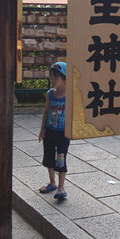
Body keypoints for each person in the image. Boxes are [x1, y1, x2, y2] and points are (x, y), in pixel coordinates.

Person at [38, 62, 70, 200]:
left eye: (55, 78)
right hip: (50, 131)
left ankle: (61, 187)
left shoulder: (70, 95)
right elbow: (46, 113)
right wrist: (42, 130)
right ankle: (52, 183)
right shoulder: (50, 94)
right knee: (49, 158)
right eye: (51, 78)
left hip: (63, 133)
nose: (52, 81)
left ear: (64, 78)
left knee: (61, 159)